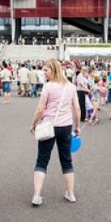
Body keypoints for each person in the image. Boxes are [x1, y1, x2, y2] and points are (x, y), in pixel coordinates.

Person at [28, 59, 80, 206]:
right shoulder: (71, 87)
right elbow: (77, 108)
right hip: (65, 126)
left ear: (53, 70)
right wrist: (77, 127)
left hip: (48, 126)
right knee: (66, 160)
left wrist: (33, 124)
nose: (43, 73)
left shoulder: (48, 87)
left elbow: (40, 109)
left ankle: (37, 195)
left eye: (46, 70)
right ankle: (70, 193)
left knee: (42, 160)